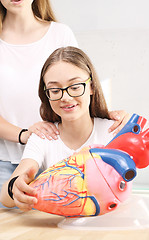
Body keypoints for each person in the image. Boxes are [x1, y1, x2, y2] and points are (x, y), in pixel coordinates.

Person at [0, 0, 129, 194]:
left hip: (61, 159)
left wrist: (108, 117)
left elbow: (77, 84)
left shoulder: (60, 34)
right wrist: (24, 134)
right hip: (6, 161)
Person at [0, 46, 130, 211]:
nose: (66, 97)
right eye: (55, 90)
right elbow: (6, 195)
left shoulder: (113, 131)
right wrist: (15, 188)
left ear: (91, 87)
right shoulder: (43, 137)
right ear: (46, 94)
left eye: (75, 86)